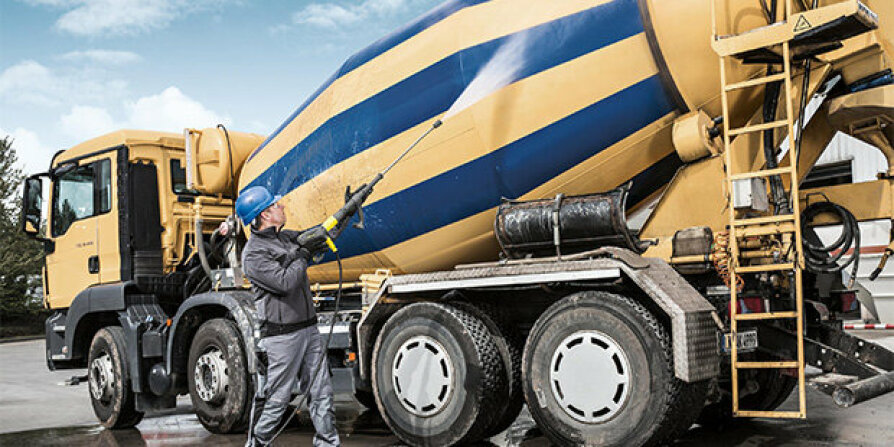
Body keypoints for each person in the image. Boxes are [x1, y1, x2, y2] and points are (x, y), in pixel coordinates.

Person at [236, 185, 340, 447]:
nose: (281, 207)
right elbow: (285, 282)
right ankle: (258, 442)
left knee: (322, 393)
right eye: (275, 205)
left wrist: (345, 215)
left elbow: (314, 235)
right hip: (282, 338)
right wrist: (304, 255)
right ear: (264, 215)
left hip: (309, 330)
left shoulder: (285, 238)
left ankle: (328, 442)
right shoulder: (254, 254)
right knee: (277, 398)